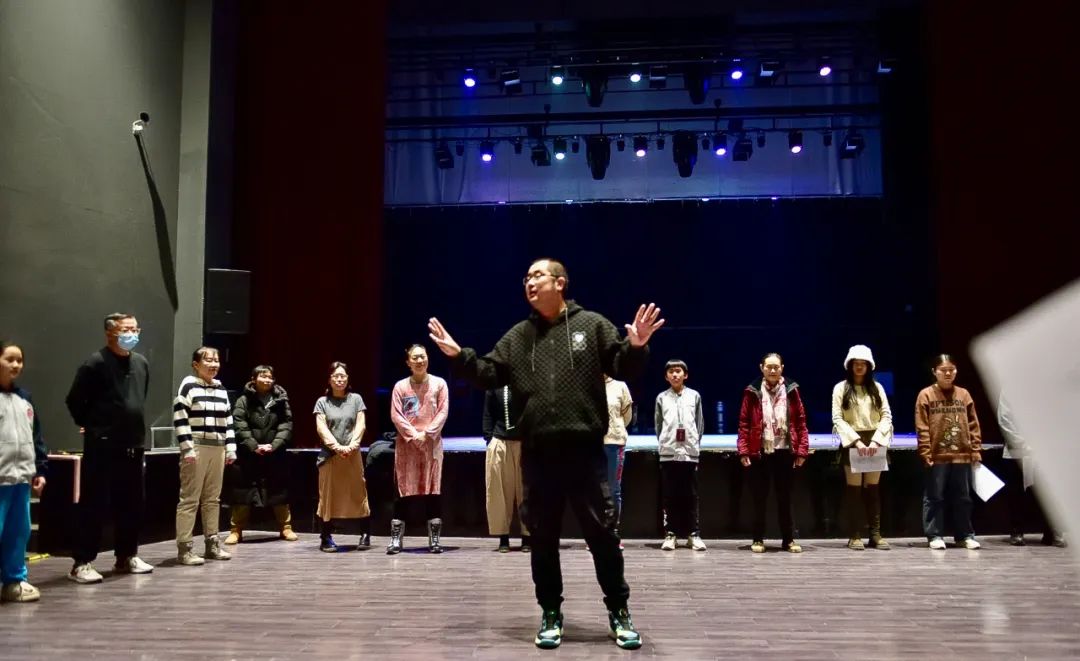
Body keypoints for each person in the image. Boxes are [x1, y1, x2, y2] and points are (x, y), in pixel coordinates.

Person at [428, 257, 663, 650]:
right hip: (538, 454)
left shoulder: (592, 325)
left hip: (585, 452)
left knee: (603, 536)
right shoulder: (519, 336)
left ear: (560, 282)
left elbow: (623, 365)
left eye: (538, 276)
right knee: (542, 538)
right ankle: (551, 612)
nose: (529, 283)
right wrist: (458, 356)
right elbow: (488, 373)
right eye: (526, 278)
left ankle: (619, 610)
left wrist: (637, 345)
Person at [65, 312, 153, 583]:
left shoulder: (141, 363)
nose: (132, 334)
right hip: (103, 445)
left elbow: (139, 399)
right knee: (95, 503)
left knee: (131, 503)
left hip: (133, 444)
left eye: (135, 329)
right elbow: (75, 400)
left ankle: (126, 556)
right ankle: (82, 562)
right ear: (110, 333)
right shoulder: (95, 363)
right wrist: (93, 426)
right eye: (126, 329)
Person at [737, 352, 810, 553]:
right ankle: (758, 539)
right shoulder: (752, 390)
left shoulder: (792, 389)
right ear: (761, 368)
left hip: (785, 450)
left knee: (785, 498)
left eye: (776, 367)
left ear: (782, 368)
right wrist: (743, 450)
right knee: (759, 498)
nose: (772, 370)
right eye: (768, 367)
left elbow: (801, 421)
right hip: (760, 451)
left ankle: (788, 540)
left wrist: (802, 451)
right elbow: (744, 423)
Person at [173, 346, 236, 565]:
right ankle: (185, 548)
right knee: (189, 499)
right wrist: (187, 448)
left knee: (213, 499)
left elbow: (228, 420)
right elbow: (180, 417)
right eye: (208, 360)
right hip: (197, 446)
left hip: (218, 448)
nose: (213, 364)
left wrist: (231, 448)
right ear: (196, 364)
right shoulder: (188, 386)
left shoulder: (221, 389)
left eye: (216, 360)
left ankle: (212, 544)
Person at [916, 353, 983, 550]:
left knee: (963, 497)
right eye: (943, 370)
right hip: (937, 455)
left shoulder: (964, 394)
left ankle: (964, 536)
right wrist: (925, 451)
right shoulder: (926, 394)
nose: (947, 374)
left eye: (951, 370)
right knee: (934, 496)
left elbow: (973, 423)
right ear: (934, 372)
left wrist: (975, 449)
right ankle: (934, 535)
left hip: (962, 455)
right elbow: (922, 426)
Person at [831, 345, 894, 550]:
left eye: (863, 364)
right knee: (854, 491)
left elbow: (886, 415)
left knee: (873, 490)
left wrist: (876, 440)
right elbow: (837, 418)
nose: (859, 367)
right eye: (856, 364)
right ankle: (854, 535)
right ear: (850, 366)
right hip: (853, 440)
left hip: (875, 439)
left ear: (869, 366)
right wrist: (856, 441)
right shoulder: (840, 388)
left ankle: (875, 534)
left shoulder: (877, 388)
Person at [389, 344, 449, 554]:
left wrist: (427, 434)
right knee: (403, 492)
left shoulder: (439, 384)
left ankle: (434, 540)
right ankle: (396, 540)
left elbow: (442, 412)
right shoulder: (400, 387)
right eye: (415, 358)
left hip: (431, 446)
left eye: (422, 356)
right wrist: (414, 435)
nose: (419, 361)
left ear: (428, 358)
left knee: (433, 492)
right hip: (407, 448)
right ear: (408, 362)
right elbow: (396, 415)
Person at [226, 365, 296, 544]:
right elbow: (239, 424)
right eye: (263, 376)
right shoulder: (243, 400)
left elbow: (286, 424)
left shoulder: (281, 400)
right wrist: (253, 445)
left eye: (270, 377)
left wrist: (274, 445)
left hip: (275, 453)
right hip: (248, 454)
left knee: (279, 492)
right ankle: (236, 530)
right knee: (242, 493)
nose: (267, 380)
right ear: (253, 379)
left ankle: (286, 527)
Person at [0, 340, 48, 603]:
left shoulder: (24, 399)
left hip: (20, 480)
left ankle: (14, 581)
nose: (16, 365)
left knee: (18, 533)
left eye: (20, 360)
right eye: (10, 359)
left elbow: (36, 437)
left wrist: (40, 469)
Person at [314, 361, 371, 552]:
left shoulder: (356, 399)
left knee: (358, 492)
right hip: (330, 455)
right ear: (329, 379)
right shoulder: (322, 402)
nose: (340, 380)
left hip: (352, 454)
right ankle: (326, 537)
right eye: (336, 376)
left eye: (343, 376)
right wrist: (337, 447)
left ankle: (365, 534)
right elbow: (321, 428)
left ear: (348, 379)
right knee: (327, 496)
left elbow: (360, 424)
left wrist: (353, 445)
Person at [997, 394, 1065, 547]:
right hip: (1018, 451)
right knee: (1017, 493)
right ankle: (1017, 531)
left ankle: (1053, 531)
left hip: (1047, 449)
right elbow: (1005, 419)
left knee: (1051, 492)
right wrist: (1021, 443)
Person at [654, 359, 706, 552]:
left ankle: (693, 534)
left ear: (686, 375)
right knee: (670, 495)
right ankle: (671, 534)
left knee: (691, 495)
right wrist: (666, 443)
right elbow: (659, 425)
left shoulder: (694, 396)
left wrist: (693, 444)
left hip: (690, 453)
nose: (675, 375)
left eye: (678, 371)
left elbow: (699, 424)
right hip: (669, 453)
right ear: (666, 376)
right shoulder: (661, 397)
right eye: (671, 372)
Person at [482, 386, 529, 552]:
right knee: (499, 492)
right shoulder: (495, 386)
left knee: (526, 492)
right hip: (500, 440)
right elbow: (488, 413)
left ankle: (527, 537)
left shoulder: (528, 381)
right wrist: (489, 438)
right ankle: (503, 537)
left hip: (525, 443)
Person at [603, 375, 633, 546]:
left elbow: (626, 417)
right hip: (593, 444)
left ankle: (612, 531)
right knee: (594, 490)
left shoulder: (620, 386)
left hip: (614, 443)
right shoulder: (588, 385)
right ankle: (596, 533)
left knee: (614, 489)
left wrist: (614, 429)